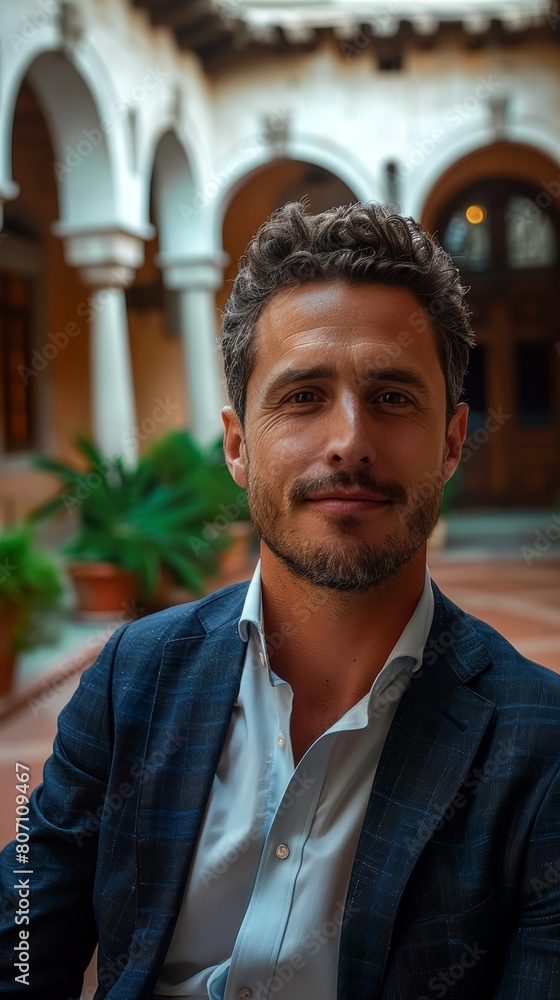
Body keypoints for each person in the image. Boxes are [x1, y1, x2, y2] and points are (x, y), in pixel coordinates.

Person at [1, 201, 559, 1000]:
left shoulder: (541, 751)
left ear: (451, 440)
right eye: (303, 396)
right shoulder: (133, 679)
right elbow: (22, 944)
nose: (349, 441)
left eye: (394, 396)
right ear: (237, 444)